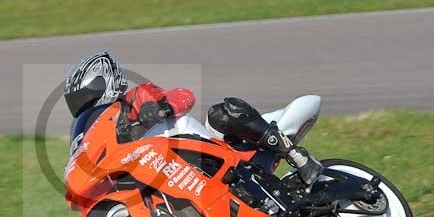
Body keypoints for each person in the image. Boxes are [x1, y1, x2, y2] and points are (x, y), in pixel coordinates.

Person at [64, 51, 323, 185]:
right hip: (173, 177)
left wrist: (163, 108)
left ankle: (293, 154)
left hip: (209, 152)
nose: (84, 101)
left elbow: (183, 95)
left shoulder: (134, 99)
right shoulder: (94, 134)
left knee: (222, 113)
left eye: (88, 92)